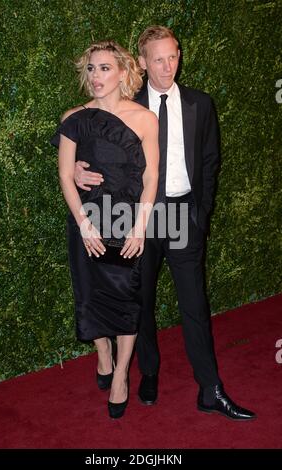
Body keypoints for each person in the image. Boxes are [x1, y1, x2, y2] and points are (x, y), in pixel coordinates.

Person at [73, 26, 256, 420]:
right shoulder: (122, 103)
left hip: (183, 215)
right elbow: (86, 140)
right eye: (158, 58)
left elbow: (210, 162)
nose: (168, 65)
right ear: (141, 62)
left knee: (195, 305)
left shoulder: (200, 104)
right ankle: (149, 372)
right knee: (141, 302)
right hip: (137, 216)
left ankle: (211, 389)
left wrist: (200, 213)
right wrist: (75, 169)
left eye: (173, 56)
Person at [51, 40, 159, 419]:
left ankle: (121, 377)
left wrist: (140, 228)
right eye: (92, 69)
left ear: (123, 73)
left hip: (127, 222)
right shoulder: (74, 117)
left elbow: (151, 176)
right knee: (89, 296)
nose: (96, 76)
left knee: (127, 301)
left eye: (104, 68)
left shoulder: (145, 119)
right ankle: (103, 353)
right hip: (86, 222)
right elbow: (66, 174)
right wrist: (83, 225)